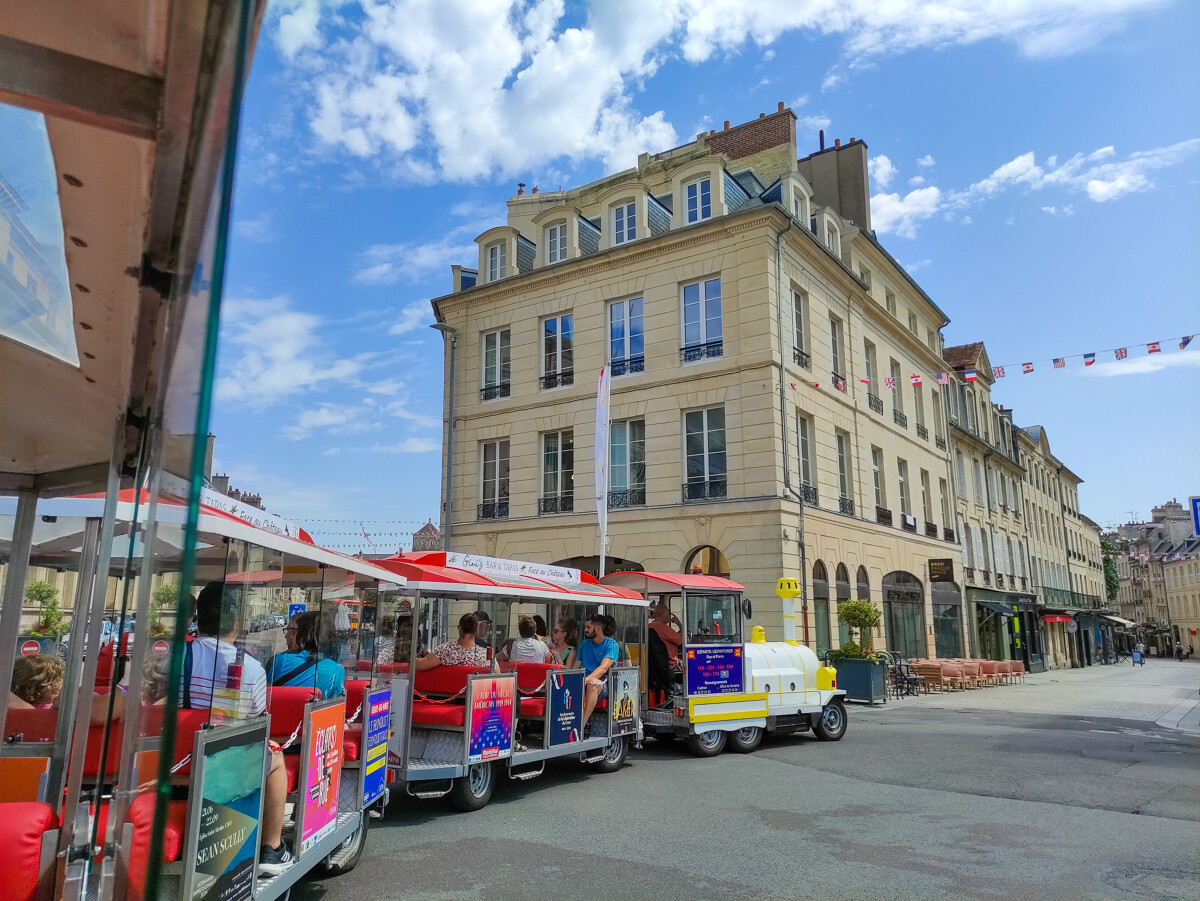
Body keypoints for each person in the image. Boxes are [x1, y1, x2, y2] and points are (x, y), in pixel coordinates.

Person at [185, 581, 291, 875]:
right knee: (276, 758)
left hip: (166, 765)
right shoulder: (251, 668)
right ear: (237, 620)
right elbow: (257, 724)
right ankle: (272, 847)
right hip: (218, 771)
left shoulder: (169, 659)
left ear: (199, 615)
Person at [268, 611, 346, 698]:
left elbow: (267, 694)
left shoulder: (279, 660)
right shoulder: (336, 670)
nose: (286, 636)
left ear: (301, 634)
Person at [579, 613, 620, 728]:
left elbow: (603, 668)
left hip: (603, 682)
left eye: (588, 627)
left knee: (593, 684)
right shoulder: (584, 644)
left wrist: (586, 679)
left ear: (597, 628)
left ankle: (582, 723)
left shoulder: (611, 644)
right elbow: (575, 666)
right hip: (583, 679)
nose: (585, 630)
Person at [415, 613, 488, 670]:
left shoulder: (446, 649)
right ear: (475, 631)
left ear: (460, 630)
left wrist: (410, 658)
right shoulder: (484, 655)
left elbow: (421, 665)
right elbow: (496, 675)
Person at [648, 603, 684, 668]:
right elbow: (681, 641)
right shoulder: (665, 629)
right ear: (662, 614)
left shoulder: (649, 626)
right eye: (669, 614)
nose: (670, 616)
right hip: (668, 664)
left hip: (655, 664)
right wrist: (679, 624)